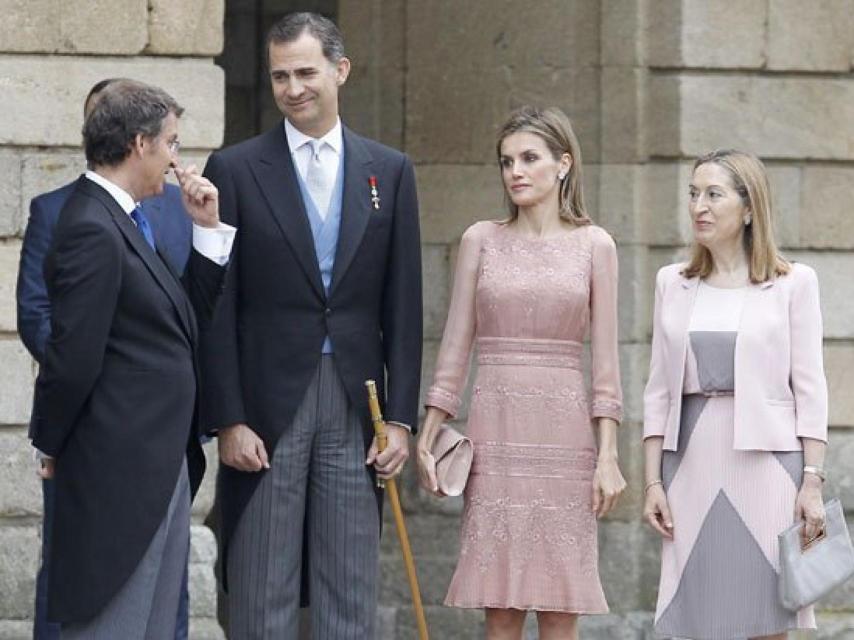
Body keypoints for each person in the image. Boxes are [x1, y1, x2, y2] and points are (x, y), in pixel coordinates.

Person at [199, 12, 422, 639]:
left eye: (305, 73)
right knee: (261, 586)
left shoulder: (389, 171)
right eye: (280, 77)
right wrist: (229, 418)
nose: (293, 88)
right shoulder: (236, 168)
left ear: (339, 70)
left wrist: (401, 420)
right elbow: (218, 306)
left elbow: (403, 306)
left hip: (357, 404)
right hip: (266, 409)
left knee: (348, 587)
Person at [30, 79, 234, 638]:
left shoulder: (125, 220)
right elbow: (72, 356)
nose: (175, 158)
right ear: (140, 143)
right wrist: (51, 439)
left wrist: (207, 231)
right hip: (119, 469)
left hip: (158, 458)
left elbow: (178, 323)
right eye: (171, 142)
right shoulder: (92, 225)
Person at [416, 105, 626, 640]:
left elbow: (605, 365)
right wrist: (430, 431)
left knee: (560, 611)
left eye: (529, 158)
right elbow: (455, 344)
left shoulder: (596, 245)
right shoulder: (480, 239)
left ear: (564, 163)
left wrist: (608, 457)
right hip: (496, 435)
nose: (515, 171)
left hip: (566, 442)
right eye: (507, 161)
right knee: (501, 612)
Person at [642, 149, 827, 639]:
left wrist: (812, 481)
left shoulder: (794, 283)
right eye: (693, 193)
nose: (698, 206)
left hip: (769, 466)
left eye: (713, 194)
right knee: (700, 618)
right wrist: (652, 481)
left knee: (768, 616)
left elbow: (811, 389)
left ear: (748, 208)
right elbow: (658, 392)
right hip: (691, 464)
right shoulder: (672, 282)